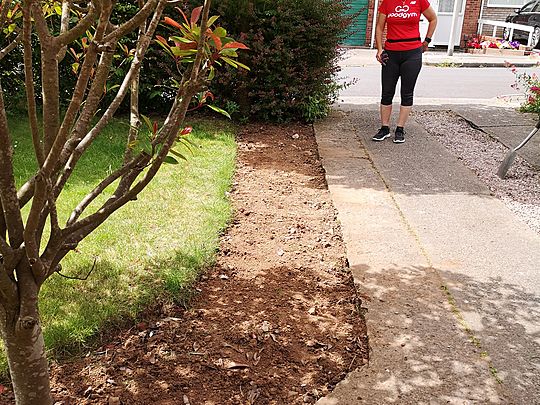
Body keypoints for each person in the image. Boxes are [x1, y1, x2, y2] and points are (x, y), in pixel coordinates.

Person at [372, 0, 437, 143]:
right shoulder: (387, 2)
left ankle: (400, 129)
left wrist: (426, 41)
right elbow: (379, 27)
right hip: (391, 54)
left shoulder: (420, 1)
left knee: (407, 93)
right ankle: (384, 128)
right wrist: (379, 49)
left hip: (412, 54)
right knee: (387, 91)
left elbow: (433, 19)